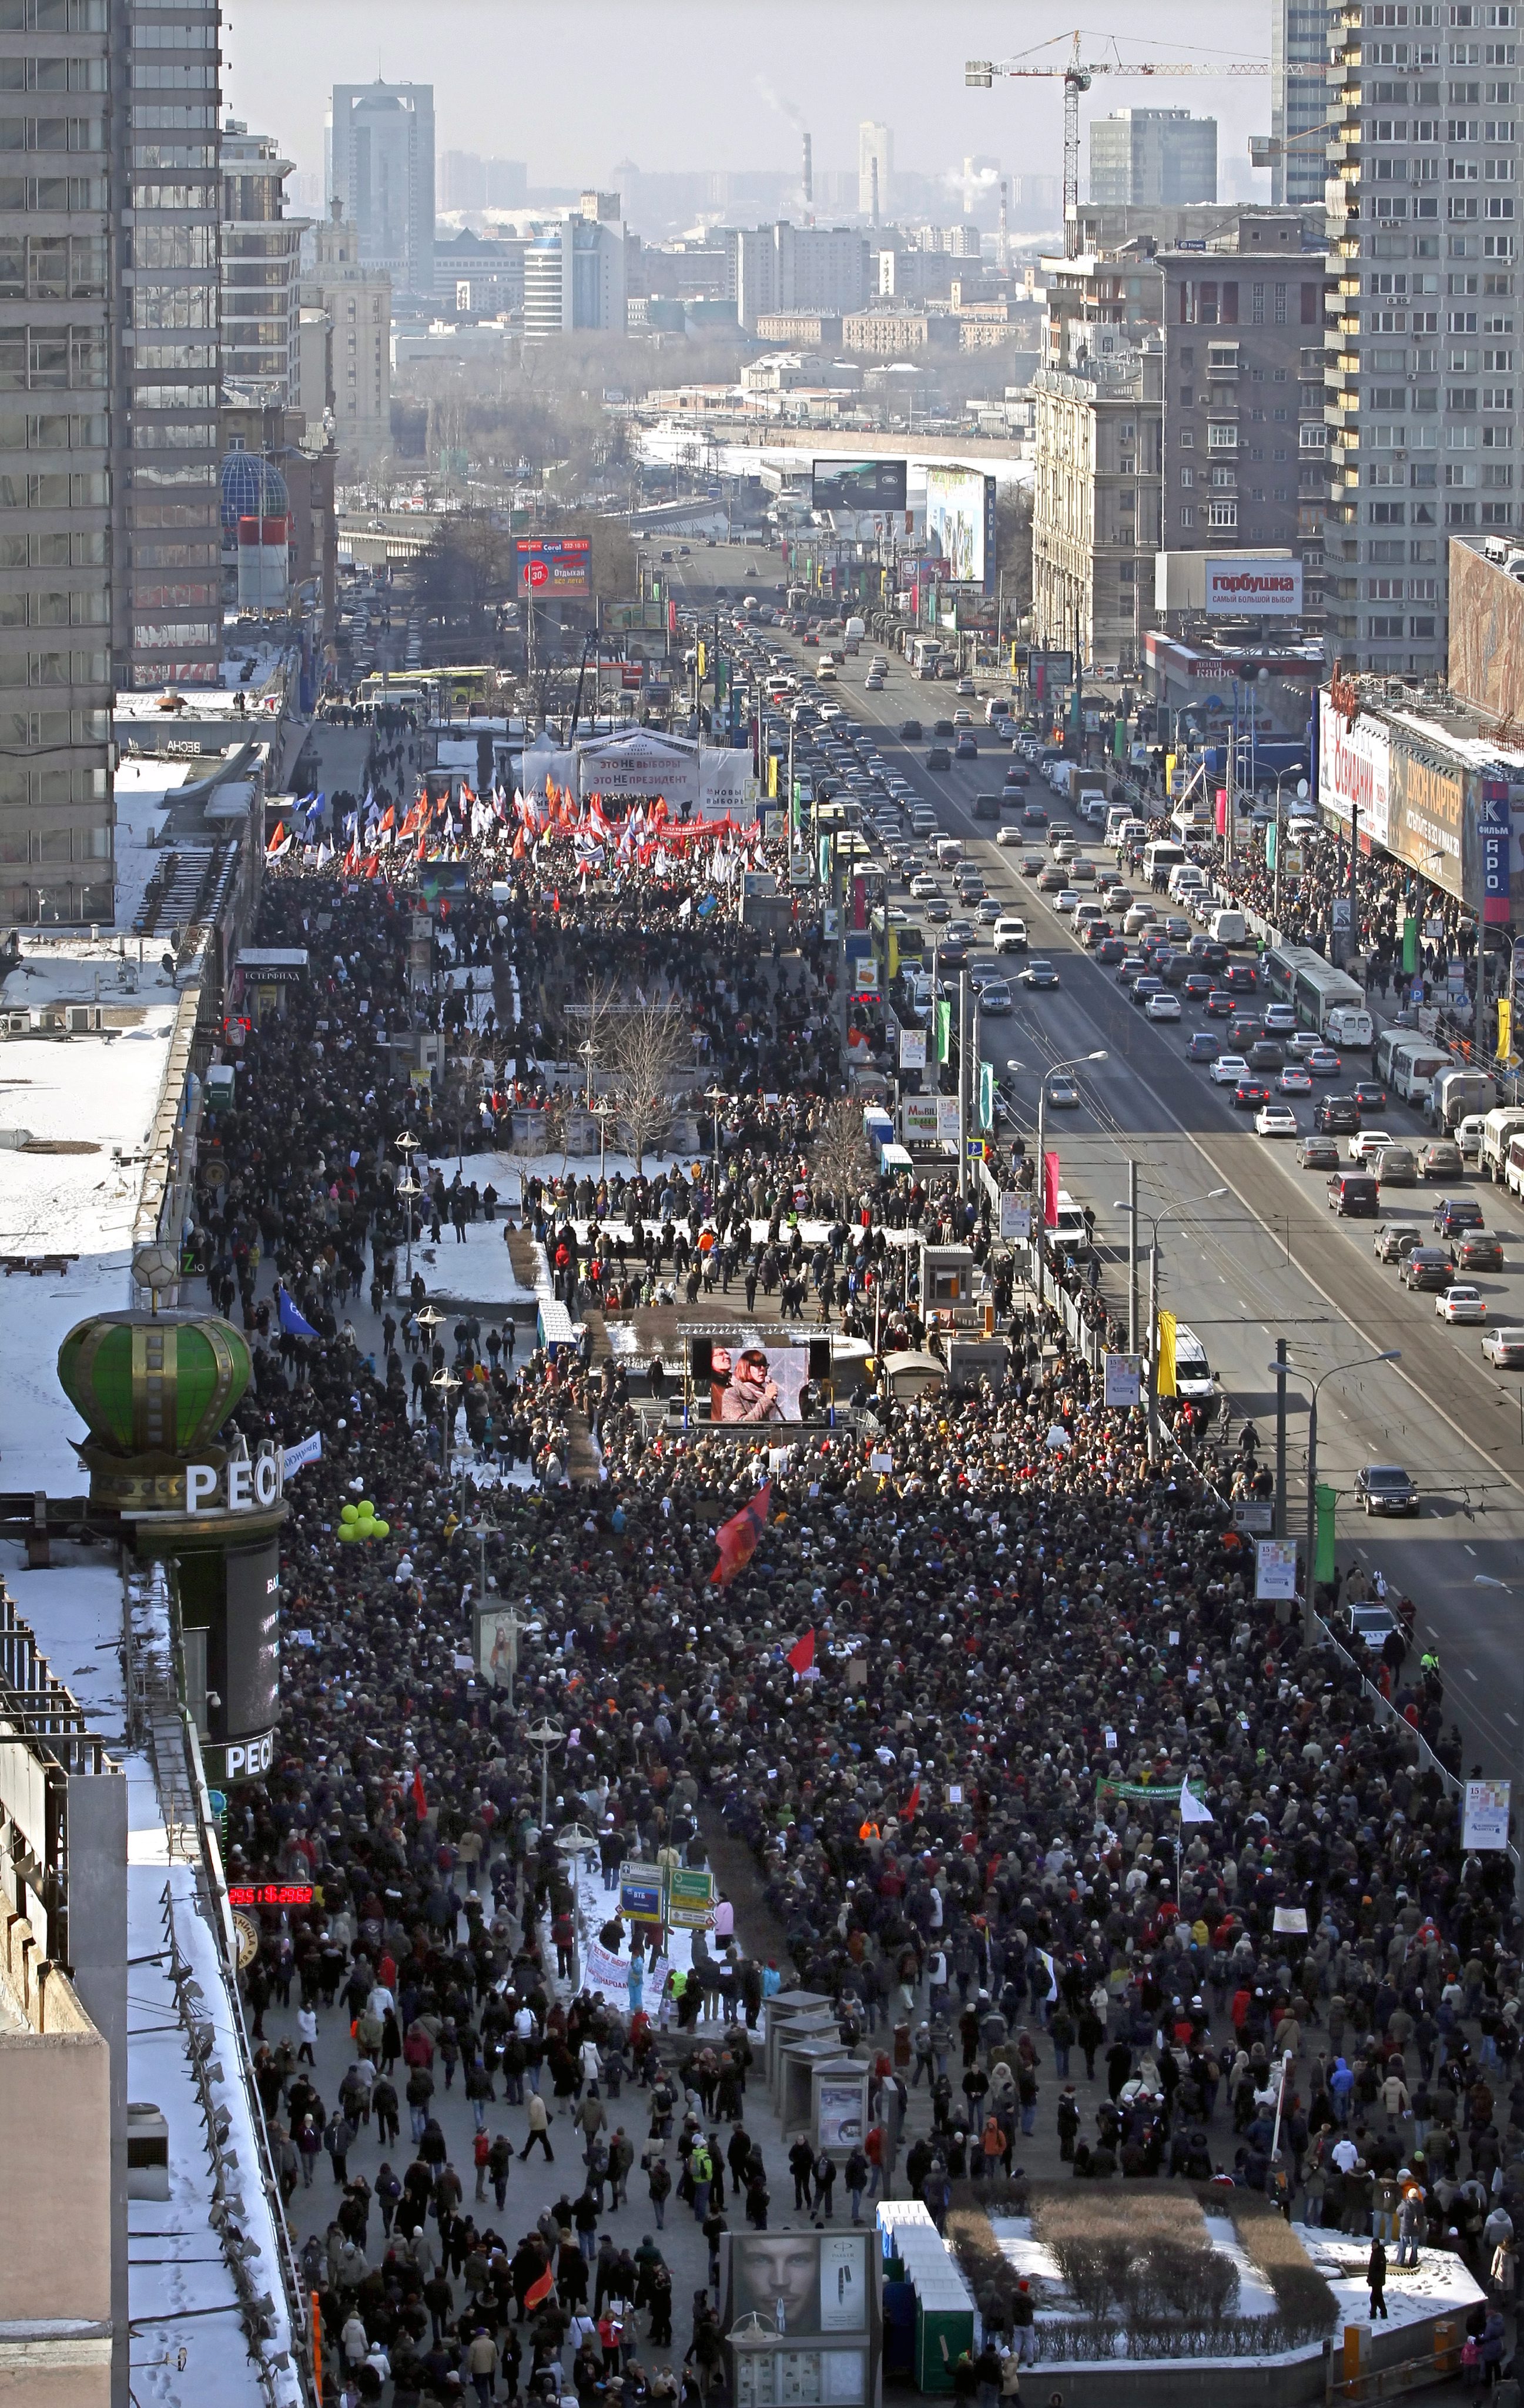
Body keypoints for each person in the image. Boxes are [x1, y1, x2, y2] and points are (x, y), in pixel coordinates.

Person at [1368, 2235, 1389, 2322]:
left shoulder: (1380, 2254)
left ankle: (1376, 2314)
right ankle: (1380, 2313)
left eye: (1375, 2244)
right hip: (1375, 2280)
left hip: (1378, 2281)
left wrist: (1375, 2279)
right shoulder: (1375, 2253)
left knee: (1375, 2298)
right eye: (1373, 2244)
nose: (1374, 2246)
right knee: (1377, 2298)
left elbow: (1381, 2269)